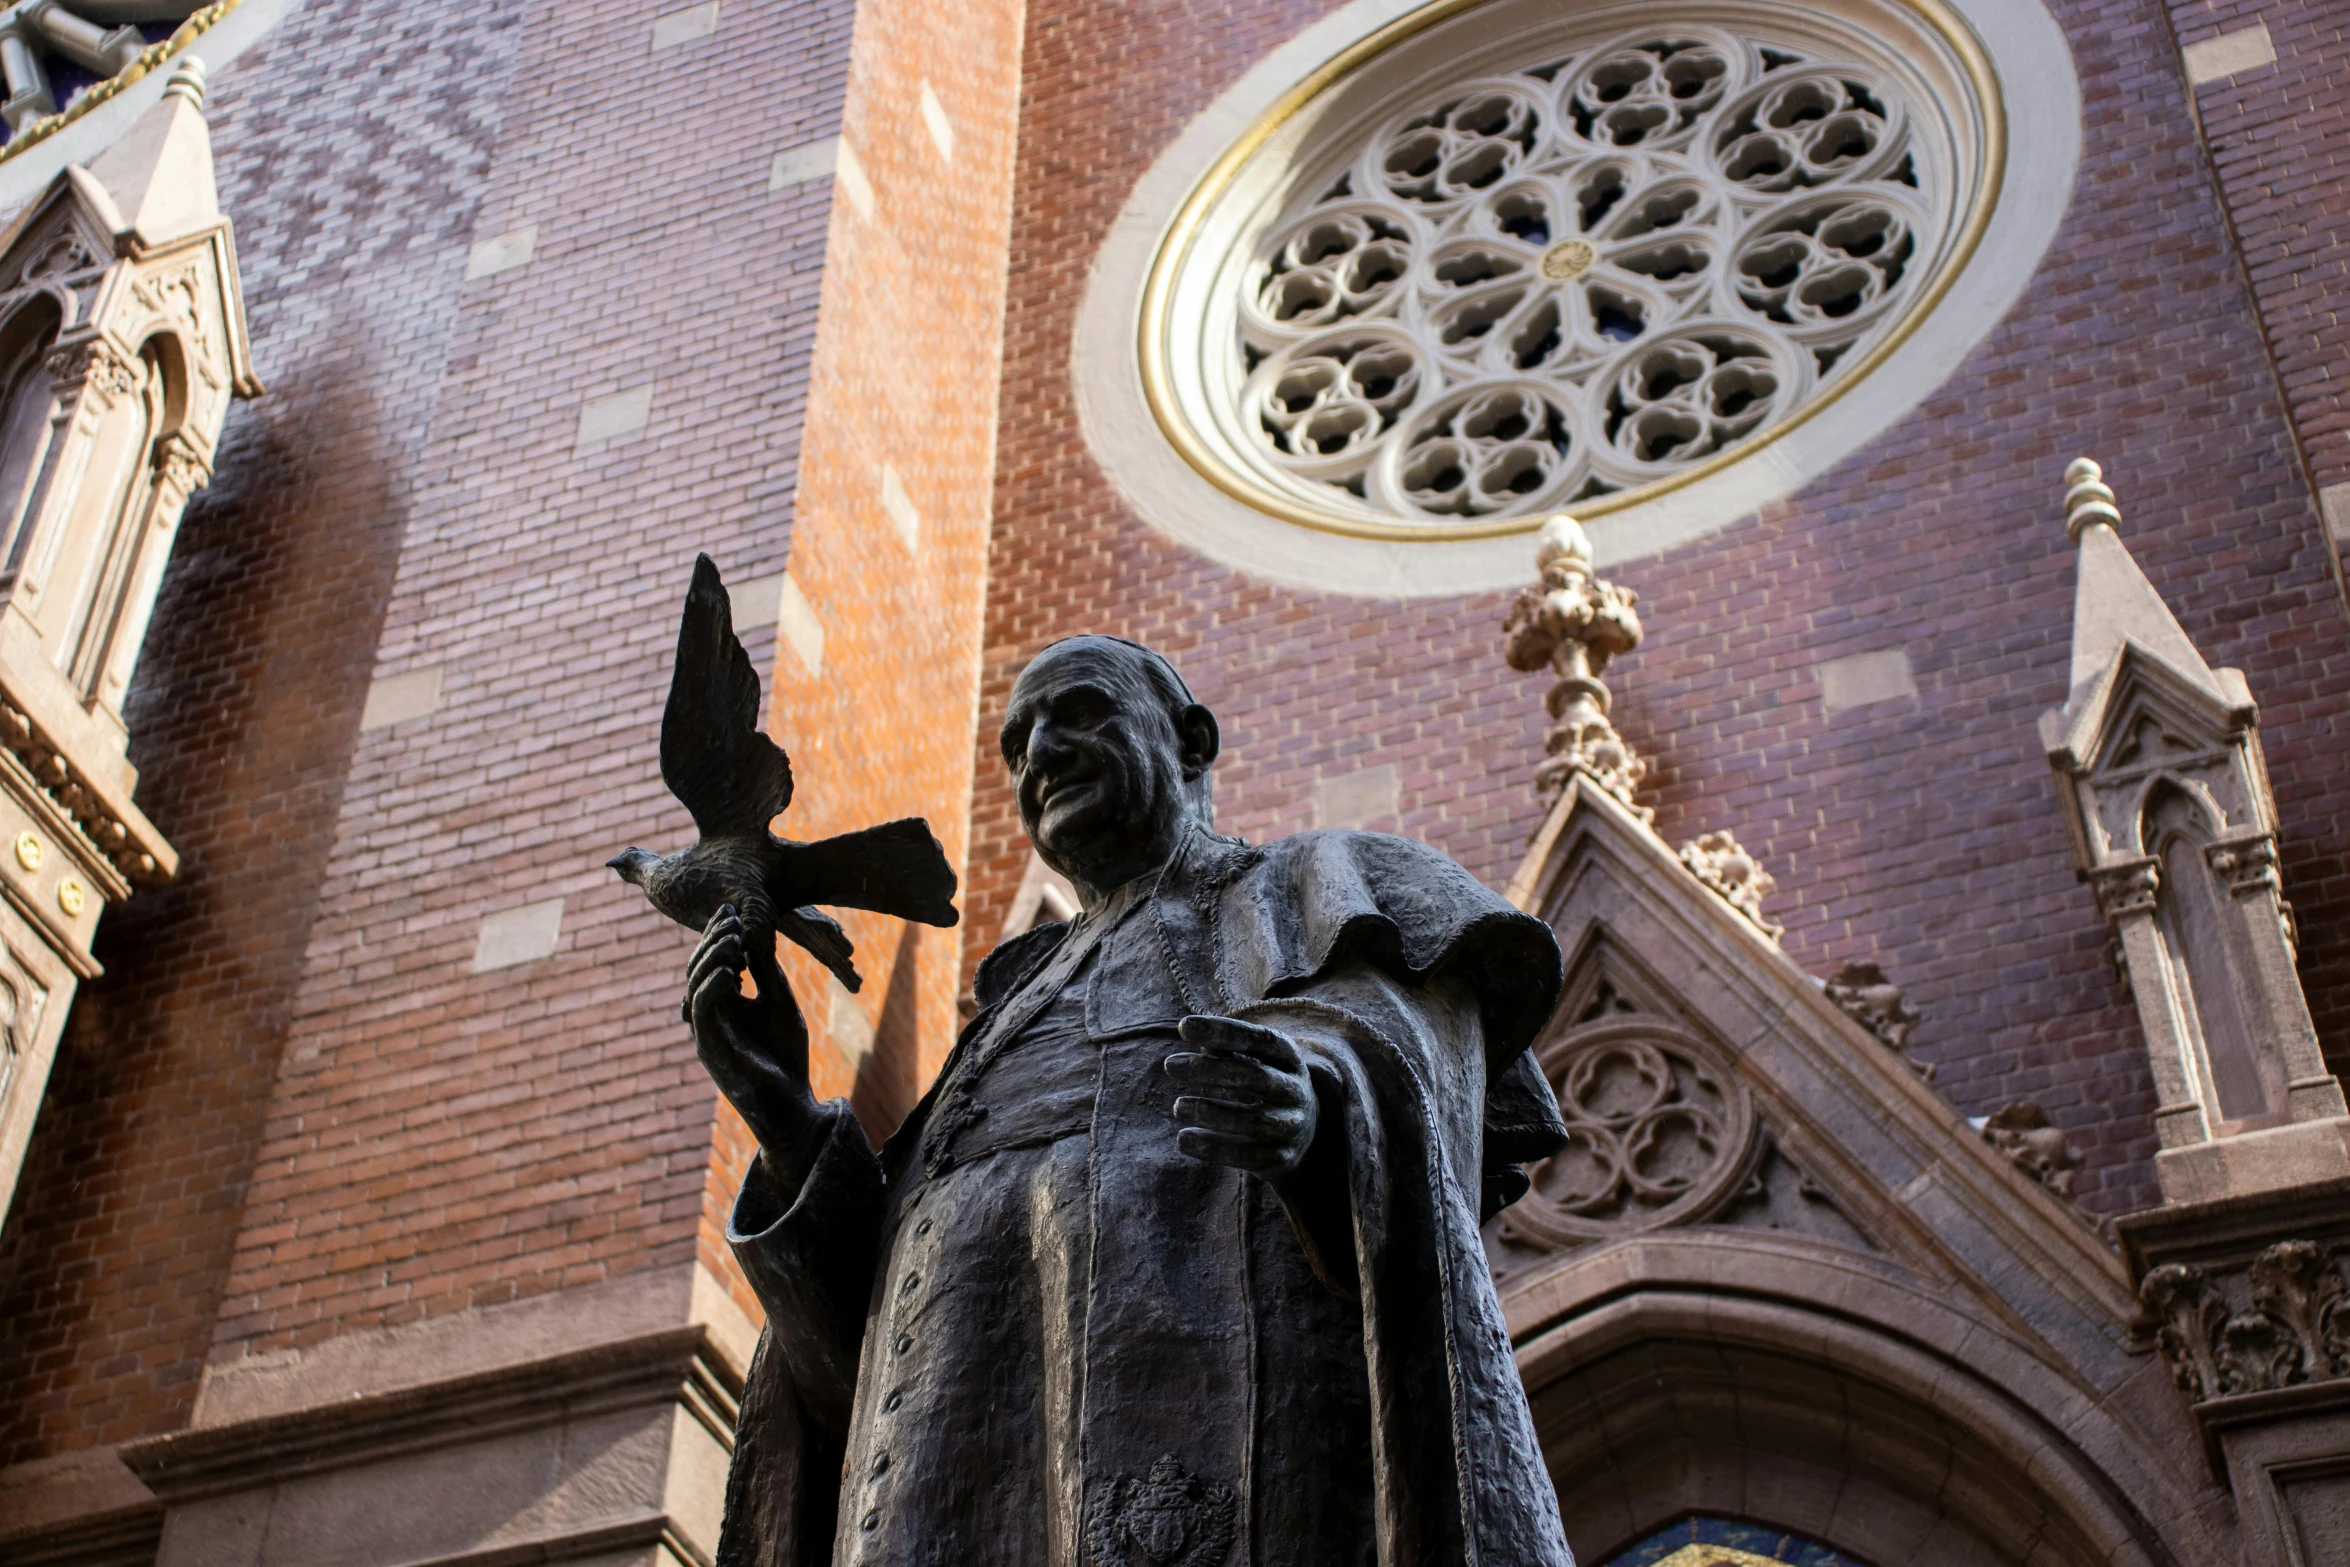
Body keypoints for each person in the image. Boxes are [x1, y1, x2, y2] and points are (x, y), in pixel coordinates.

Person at [689, 635, 1575, 1567]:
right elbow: (848, 1363)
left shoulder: (1313, 885)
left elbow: (1401, 1057)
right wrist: (784, 1119)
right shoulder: (1007, 1009)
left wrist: (1315, 1112)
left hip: (1219, 1465)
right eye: (1019, 742)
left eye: (1080, 713)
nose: (1041, 755)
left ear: (1191, 742)